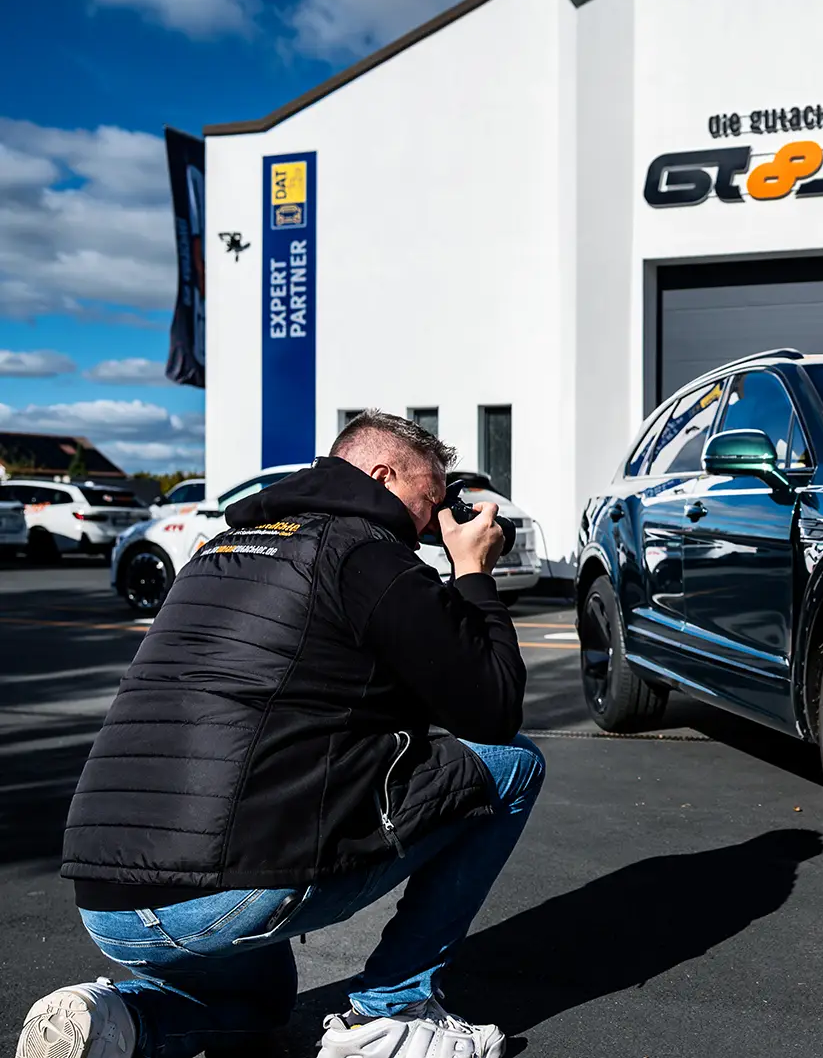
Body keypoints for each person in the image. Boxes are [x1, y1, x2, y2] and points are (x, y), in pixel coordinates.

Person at [16, 411, 541, 1058]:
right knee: (512, 762)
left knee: (261, 1005)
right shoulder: (367, 556)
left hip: (109, 901)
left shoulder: (219, 551)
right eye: (429, 498)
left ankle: (114, 1021)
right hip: (218, 896)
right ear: (381, 474)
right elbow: (491, 708)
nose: (431, 521)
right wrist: (473, 573)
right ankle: (395, 1009)